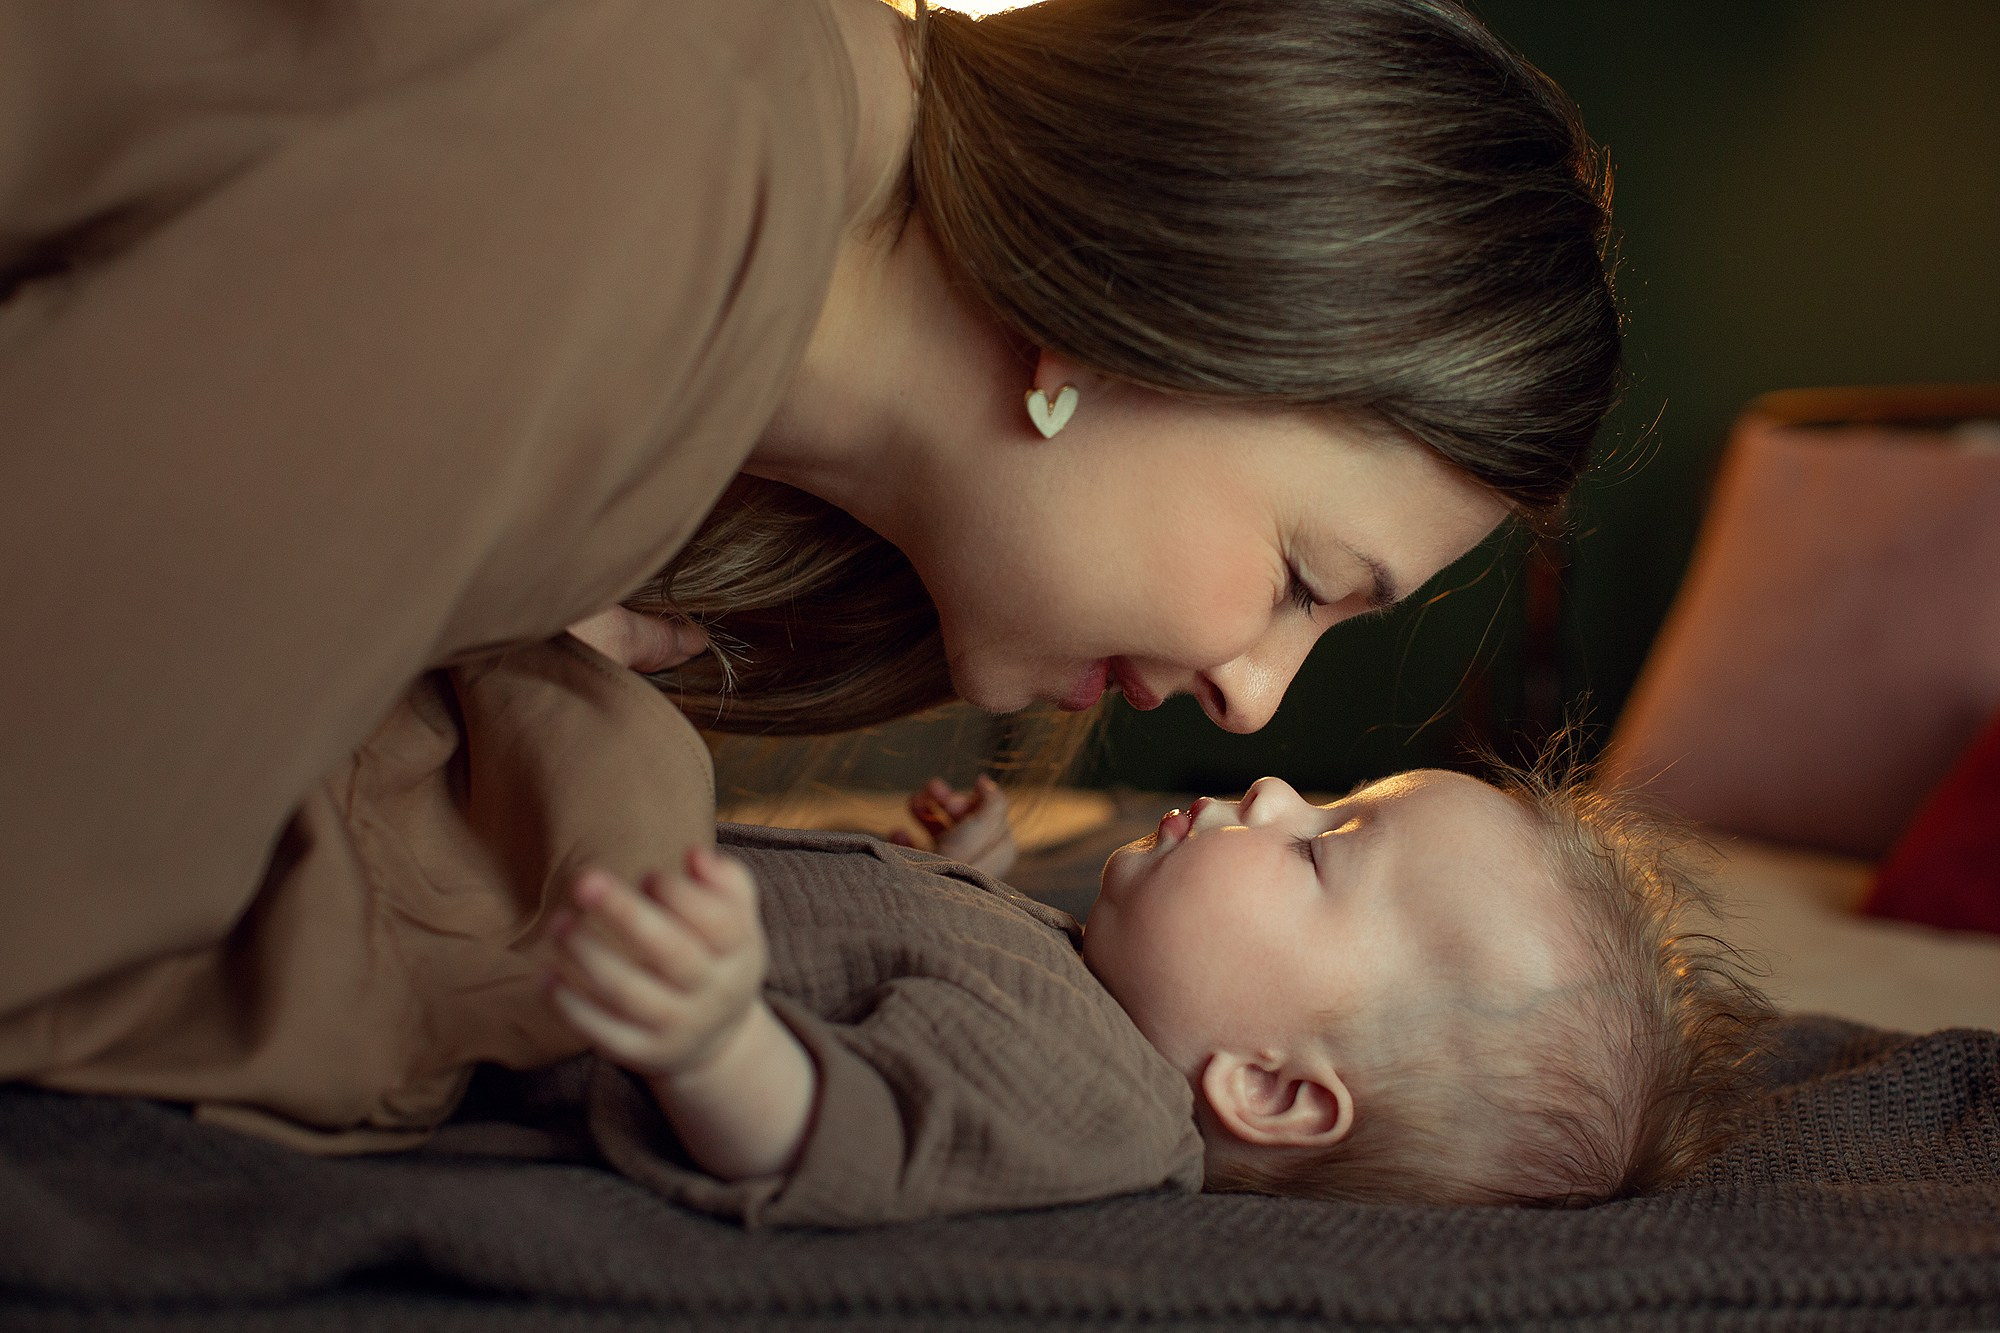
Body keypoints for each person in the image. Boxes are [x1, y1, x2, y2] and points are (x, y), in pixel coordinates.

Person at [0, 0, 1620, 1141]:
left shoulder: (695, 400)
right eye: (1300, 576)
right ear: (1155, 305)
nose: (1256, 705)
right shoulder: (652, 145)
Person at [554, 767, 1773, 1223]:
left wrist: (715, 1039)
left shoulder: (1094, 1103)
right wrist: (961, 879)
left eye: (1313, 849)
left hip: (514, 980)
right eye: (1327, 794)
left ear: (1271, 1087)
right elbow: (930, 990)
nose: (1273, 786)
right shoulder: (1085, 979)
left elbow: (844, 1131)